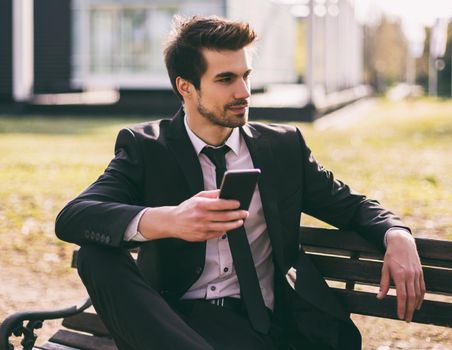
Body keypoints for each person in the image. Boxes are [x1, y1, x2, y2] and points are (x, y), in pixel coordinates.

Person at [55, 15, 425, 350]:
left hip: (267, 324)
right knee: (94, 255)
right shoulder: (146, 149)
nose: (244, 92)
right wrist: (171, 220)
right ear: (186, 87)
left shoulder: (282, 147)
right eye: (226, 79)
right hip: (178, 324)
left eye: (246, 76)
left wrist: (397, 234)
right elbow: (74, 216)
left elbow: (351, 205)